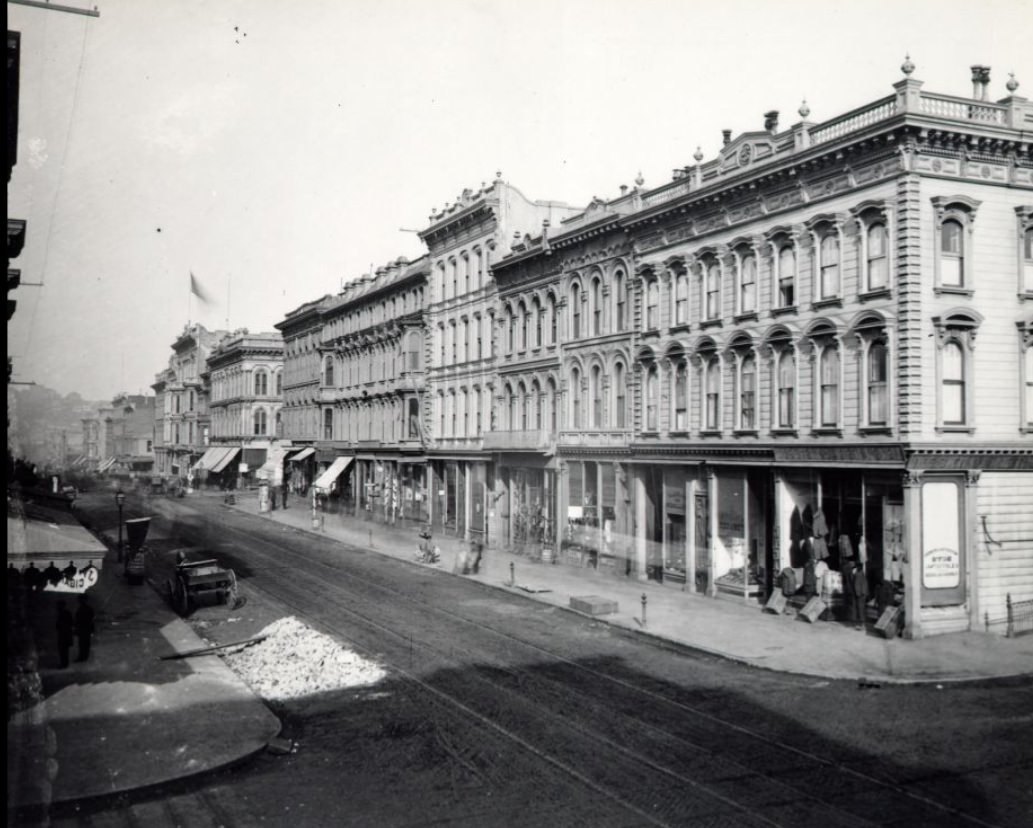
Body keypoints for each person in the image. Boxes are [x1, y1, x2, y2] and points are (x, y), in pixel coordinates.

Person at [75, 594, 95, 662]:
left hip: (84, 628)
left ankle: (83, 656)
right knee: (84, 643)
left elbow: (90, 620)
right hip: (86, 628)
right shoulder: (88, 609)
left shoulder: (82, 609)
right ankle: (84, 656)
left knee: (83, 643)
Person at [56, 601, 75, 669]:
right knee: (64, 650)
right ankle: (65, 663)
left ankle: (64, 664)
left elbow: (58, 625)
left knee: (63, 650)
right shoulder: (66, 613)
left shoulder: (62, 614)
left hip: (64, 635)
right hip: (66, 635)